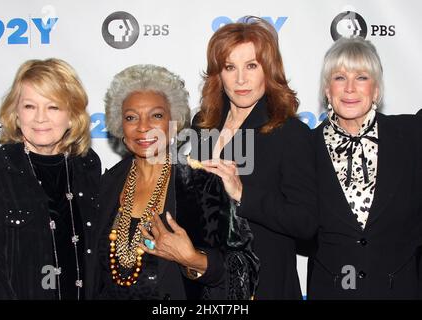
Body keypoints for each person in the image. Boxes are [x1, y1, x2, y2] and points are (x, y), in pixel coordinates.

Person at [92, 64, 259, 300]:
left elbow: (243, 268)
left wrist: (192, 259)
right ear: (120, 125)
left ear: (175, 122)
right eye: (131, 117)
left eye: (156, 115)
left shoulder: (202, 184)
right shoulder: (108, 182)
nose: (142, 127)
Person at [191, 17, 317, 299]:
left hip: (263, 285)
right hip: (206, 283)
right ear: (218, 75)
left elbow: (306, 222)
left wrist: (242, 193)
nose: (240, 79)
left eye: (251, 66)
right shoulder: (201, 125)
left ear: (268, 71)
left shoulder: (289, 132)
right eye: (229, 67)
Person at [308, 37, 422, 299]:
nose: (349, 88)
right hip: (331, 292)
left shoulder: (412, 135)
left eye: (361, 77)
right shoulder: (305, 146)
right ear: (327, 90)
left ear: (377, 90)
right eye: (339, 77)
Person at [0, 58, 101, 300]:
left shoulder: (87, 164)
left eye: (53, 107)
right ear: (15, 112)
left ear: (72, 115)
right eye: (29, 106)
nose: (40, 118)